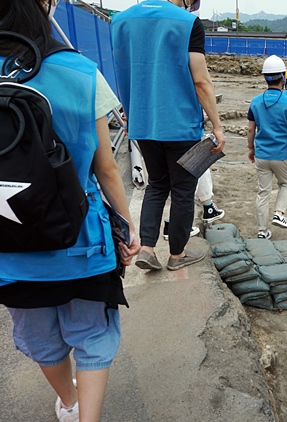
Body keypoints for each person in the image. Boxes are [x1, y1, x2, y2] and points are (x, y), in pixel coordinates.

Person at [0, 0, 141, 421]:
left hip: (9, 248)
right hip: (81, 243)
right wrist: (127, 228)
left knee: (39, 336)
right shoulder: (79, 71)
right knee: (93, 334)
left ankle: (70, 401)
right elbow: (106, 169)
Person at [112, 0, 225, 271]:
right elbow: (200, 80)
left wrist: (129, 115)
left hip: (144, 123)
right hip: (180, 123)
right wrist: (217, 125)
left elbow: (124, 72)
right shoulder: (187, 23)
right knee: (183, 190)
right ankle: (177, 255)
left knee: (157, 185)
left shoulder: (120, 21)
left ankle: (148, 249)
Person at [247, 55, 287, 239]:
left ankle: (262, 231)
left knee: (263, 192)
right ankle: (279, 213)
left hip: (262, 154)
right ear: (283, 77)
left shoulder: (255, 102)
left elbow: (250, 129)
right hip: (281, 155)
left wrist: (250, 148)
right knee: (285, 183)